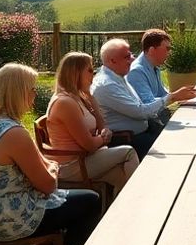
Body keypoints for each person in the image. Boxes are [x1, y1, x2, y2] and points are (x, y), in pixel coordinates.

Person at [0, 63, 103, 245]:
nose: (34, 94)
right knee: (90, 200)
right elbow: (48, 185)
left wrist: (47, 166)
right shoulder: (13, 133)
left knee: (76, 200)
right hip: (11, 220)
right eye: (31, 89)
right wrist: (53, 169)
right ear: (18, 93)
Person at [45, 51, 139, 193]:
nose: (93, 75)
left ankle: (121, 212)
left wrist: (90, 96)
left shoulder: (79, 97)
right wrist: (103, 138)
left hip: (86, 159)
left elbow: (100, 125)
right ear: (76, 73)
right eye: (89, 70)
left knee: (122, 176)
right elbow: (89, 145)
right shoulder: (65, 102)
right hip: (73, 166)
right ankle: (138, 202)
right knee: (129, 152)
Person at [91, 38, 196, 158]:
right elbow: (140, 112)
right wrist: (172, 97)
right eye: (126, 57)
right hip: (128, 140)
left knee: (185, 139)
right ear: (112, 61)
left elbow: (143, 106)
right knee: (178, 149)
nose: (132, 59)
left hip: (142, 132)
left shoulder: (118, 77)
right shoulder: (107, 85)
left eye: (131, 54)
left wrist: (174, 97)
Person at [127, 28, 173, 123]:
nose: (169, 53)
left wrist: (182, 98)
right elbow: (149, 104)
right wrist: (174, 97)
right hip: (148, 125)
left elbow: (162, 94)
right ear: (152, 50)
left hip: (157, 118)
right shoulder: (137, 71)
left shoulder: (154, 67)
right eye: (167, 49)